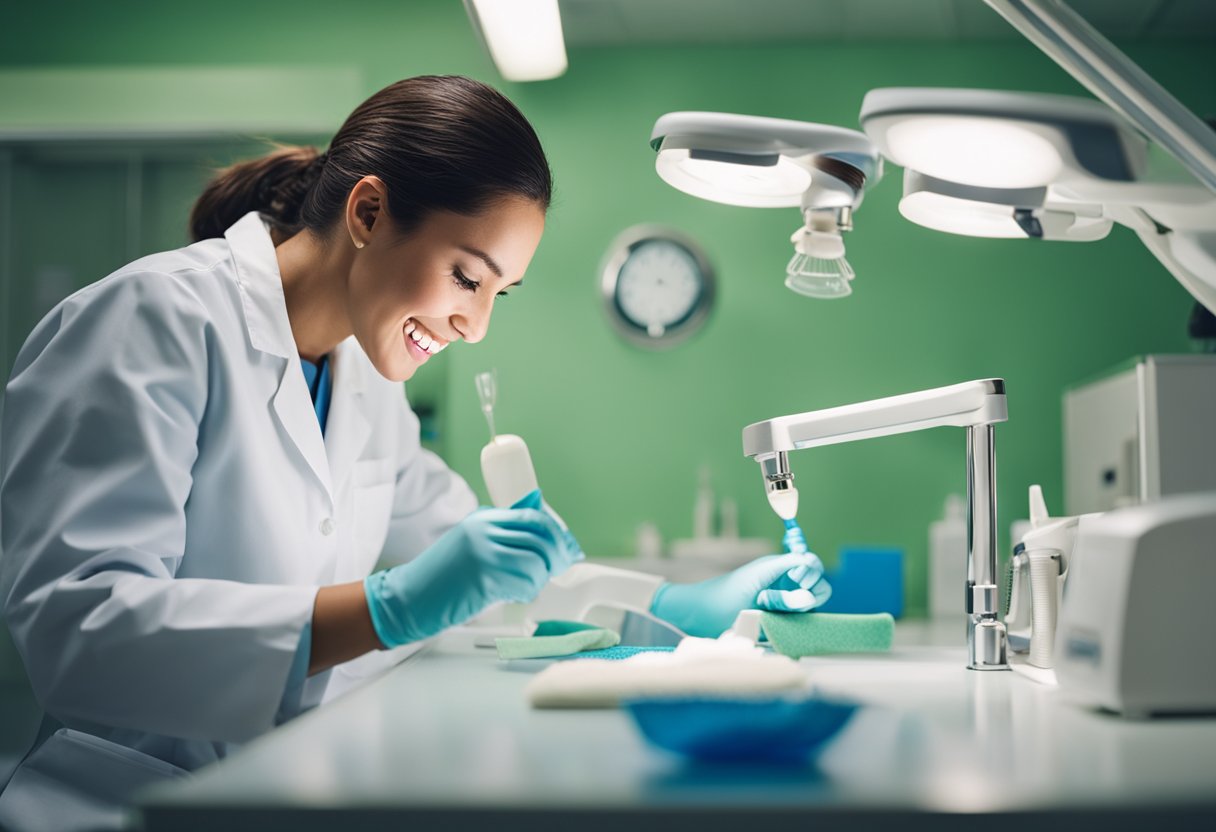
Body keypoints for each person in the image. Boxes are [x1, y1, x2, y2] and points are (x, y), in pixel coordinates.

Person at [0, 75, 829, 832]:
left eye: (498, 293)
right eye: (468, 278)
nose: (476, 325)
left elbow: (493, 567)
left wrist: (674, 607)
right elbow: (78, 634)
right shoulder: (151, 321)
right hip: (114, 804)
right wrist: (387, 607)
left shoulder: (364, 379)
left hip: (271, 790)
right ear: (367, 213)